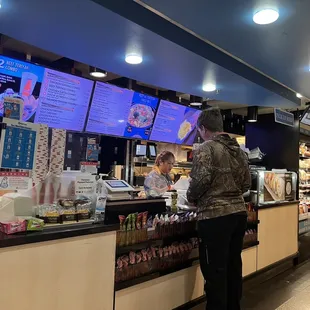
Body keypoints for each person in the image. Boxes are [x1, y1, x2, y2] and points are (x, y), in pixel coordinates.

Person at [187, 107, 251, 310]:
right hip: (238, 215)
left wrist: (191, 197)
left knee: (215, 272)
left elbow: (199, 182)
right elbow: (246, 185)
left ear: (204, 128)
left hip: (215, 218)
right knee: (233, 267)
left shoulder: (206, 149)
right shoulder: (239, 152)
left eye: (199, 131)